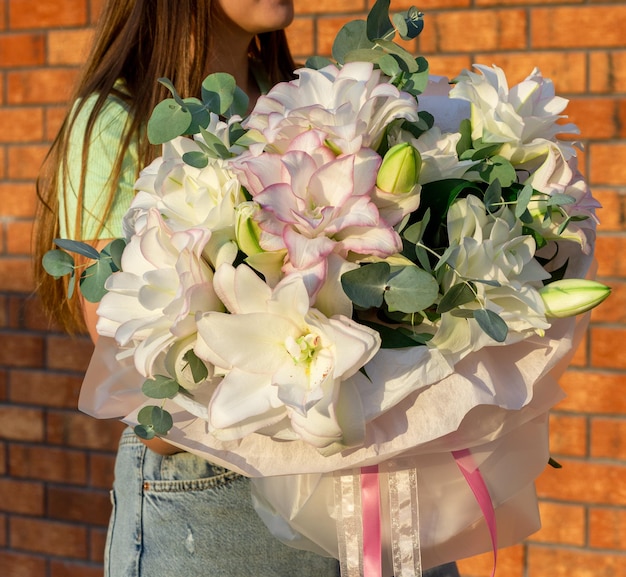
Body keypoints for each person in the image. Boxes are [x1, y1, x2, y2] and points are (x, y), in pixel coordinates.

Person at [34, 1, 461, 576]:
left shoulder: (311, 101)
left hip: (369, 487)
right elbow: (145, 396)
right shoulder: (116, 118)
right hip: (215, 507)